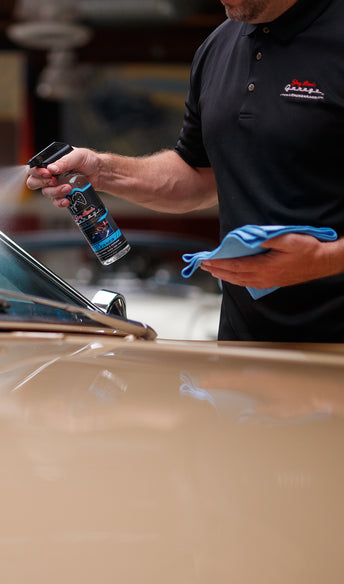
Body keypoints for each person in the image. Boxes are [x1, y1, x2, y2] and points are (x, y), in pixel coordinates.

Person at [26, 0, 344, 343]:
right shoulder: (218, 47)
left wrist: (325, 260)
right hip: (246, 345)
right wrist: (101, 170)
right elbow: (196, 176)